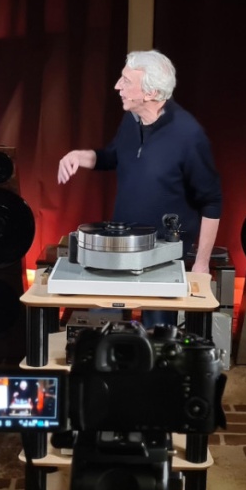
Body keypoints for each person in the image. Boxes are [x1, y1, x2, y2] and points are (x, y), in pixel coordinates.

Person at [57, 50, 222, 327]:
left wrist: (201, 263)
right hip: (120, 247)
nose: (117, 86)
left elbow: (212, 202)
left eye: (126, 81)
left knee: (157, 335)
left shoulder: (189, 135)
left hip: (163, 255)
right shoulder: (131, 120)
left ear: (150, 93)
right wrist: (78, 156)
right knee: (104, 328)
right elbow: (113, 156)